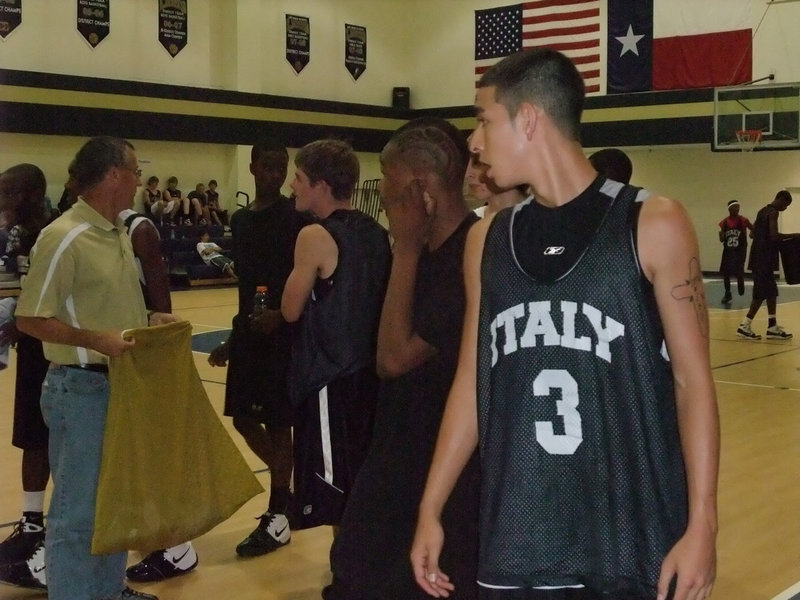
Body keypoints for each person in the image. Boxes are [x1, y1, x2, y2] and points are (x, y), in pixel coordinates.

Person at [411, 48, 719, 600]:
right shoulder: (488, 240)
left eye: (483, 120)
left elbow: (693, 384)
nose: (473, 142)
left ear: (528, 118)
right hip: (517, 536)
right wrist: (430, 507)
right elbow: (471, 383)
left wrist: (703, 524)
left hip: (631, 537)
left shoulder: (653, 222)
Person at [325, 118, 481, 600]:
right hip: (398, 451)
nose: (385, 202)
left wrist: (407, 246)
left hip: (439, 463)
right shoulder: (428, 254)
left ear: (421, 190)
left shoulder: (468, 257)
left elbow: (392, 358)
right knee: (352, 570)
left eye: (389, 186)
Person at [14, 135, 174, 600]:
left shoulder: (119, 233)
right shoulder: (64, 237)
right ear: (113, 176)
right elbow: (30, 318)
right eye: (135, 172)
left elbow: (101, 310)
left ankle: (107, 592)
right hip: (80, 391)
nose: (139, 181)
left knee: (113, 506)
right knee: (76, 514)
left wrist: (149, 321)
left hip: (118, 388)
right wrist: (94, 341)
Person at [281, 139, 390, 532]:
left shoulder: (314, 236)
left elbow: (289, 309)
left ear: (322, 185)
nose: (292, 185)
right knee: (360, 483)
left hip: (330, 377)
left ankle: (345, 579)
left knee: (333, 492)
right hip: (370, 377)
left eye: (299, 178)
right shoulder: (377, 233)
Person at [208, 138, 310, 557]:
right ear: (251, 167)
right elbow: (247, 286)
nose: (275, 174)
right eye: (267, 165)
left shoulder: (296, 218)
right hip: (250, 331)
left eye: (281, 166)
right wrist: (234, 338)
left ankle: (277, 507)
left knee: (279, 423)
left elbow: (304, 282)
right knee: (243, 420)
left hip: (283, 334)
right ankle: (289, 484)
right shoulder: (242, 221)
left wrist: (284, 318)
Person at [117, 208, 200, 582]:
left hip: (145, 351)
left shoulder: (139, 228)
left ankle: (177, 545)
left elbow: (160, 299)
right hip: (118, 355)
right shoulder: (100, 228)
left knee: (154, 449)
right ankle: (157, 537)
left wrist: (160, 342)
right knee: (131, 453)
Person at [0, 164, 58, 591]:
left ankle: (59, 535)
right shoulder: (19, 235)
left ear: (35, 193)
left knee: (60, 442)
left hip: (59, 353)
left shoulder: (54, 234)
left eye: (10, 194)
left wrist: (16, 324)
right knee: (31, 437)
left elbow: (51, 301)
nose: (4, 202)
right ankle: (32, 522)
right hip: (32, 351)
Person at [736, 190, 799, 340]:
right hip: (764, 258)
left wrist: (761, 237)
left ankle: (772, 326)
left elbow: (752, 234)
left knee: (771, 292)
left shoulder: (762, 211)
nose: (785, 208)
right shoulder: (773, 213)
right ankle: (744, 325)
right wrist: (794, 235)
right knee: (761, 293)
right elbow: (774, 236)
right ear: (781, 200)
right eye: (786, 205)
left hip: (759, 257)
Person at [465, 152, 527, 218]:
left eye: (479, 163)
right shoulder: (471, 221)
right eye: (465, 163)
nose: (467, 174)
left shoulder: (535, 219)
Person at [718, 199, 753, 304]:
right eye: (735, 207)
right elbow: (722, 239)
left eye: (739, 207)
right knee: (726, 273)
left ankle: (740, 282)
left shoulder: (743, 220)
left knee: (739, 270)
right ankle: (727, 293)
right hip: (728, 250)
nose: (738, 209)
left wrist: (752, 234)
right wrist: (721, 236)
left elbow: (753, 229)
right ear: (730, 209)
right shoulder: (724, 222)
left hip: (740, 250)